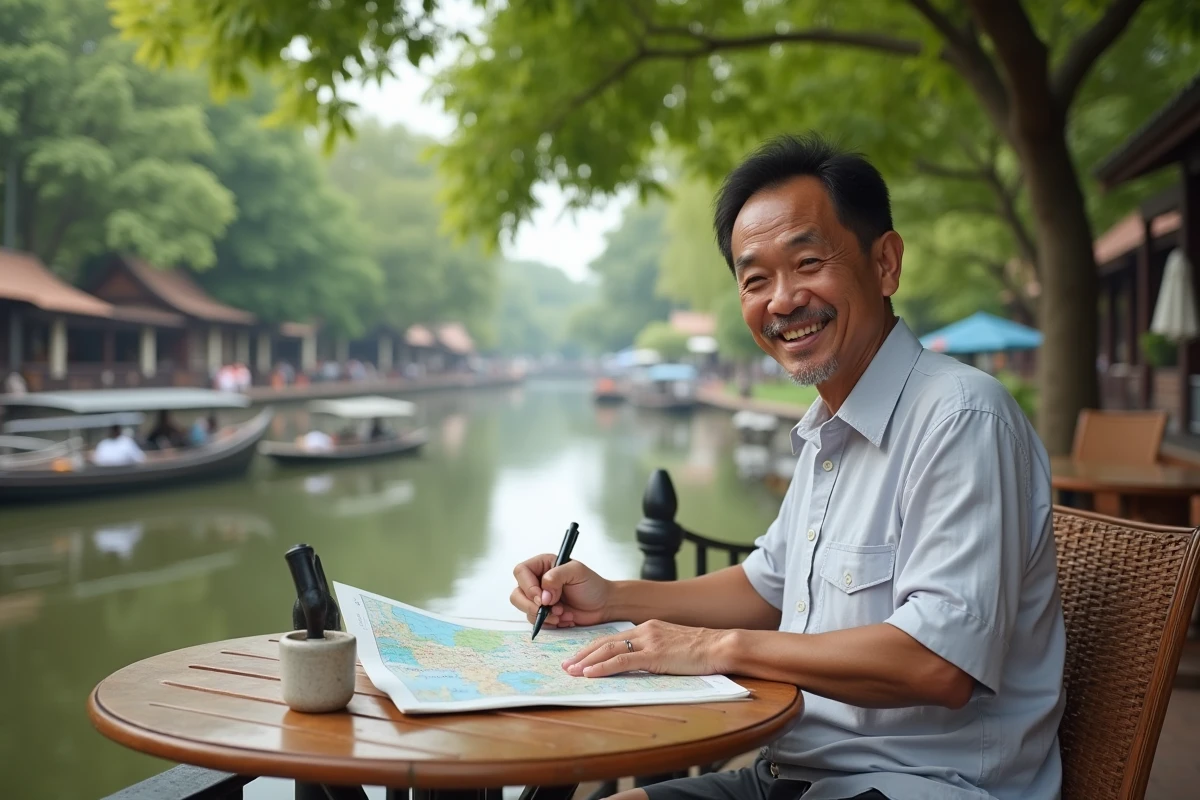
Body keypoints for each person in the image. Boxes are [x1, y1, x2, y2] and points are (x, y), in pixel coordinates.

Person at [510, 135, 1064, 800]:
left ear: (885, 263)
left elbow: (938, 664)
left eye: (807, 262)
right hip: (790, 777)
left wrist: (715, 649)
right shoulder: (827, 432)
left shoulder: (962, 419)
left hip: (920, 785)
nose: (782, 300)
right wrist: (611, 599)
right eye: (755, 279)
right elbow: (764, 589)